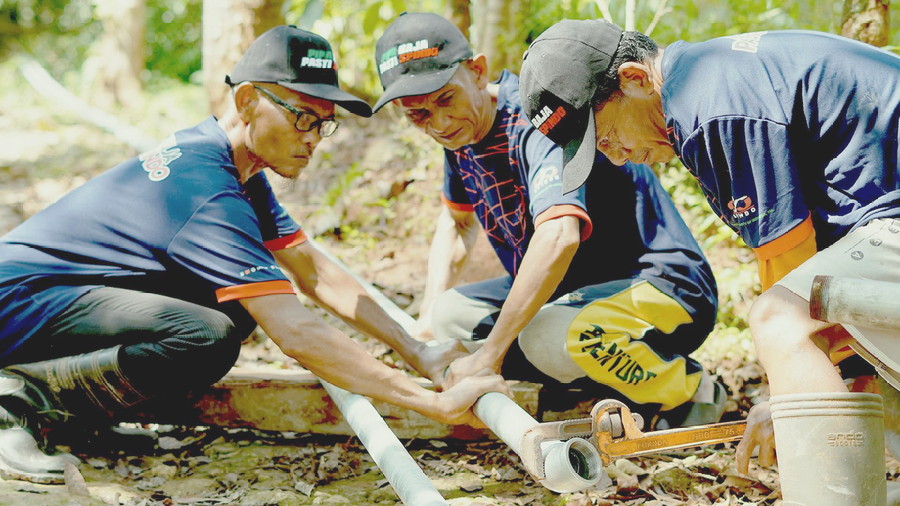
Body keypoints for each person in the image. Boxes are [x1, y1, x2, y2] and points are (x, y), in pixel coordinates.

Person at [0, 25, 506, 484]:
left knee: (235, 309)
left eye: (323, 124)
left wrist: (417, 350)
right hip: (17, 305)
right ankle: (18, 403)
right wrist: (430, 403)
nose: (312, 139)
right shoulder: (205, 189)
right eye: (302, 117)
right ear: (247, 101)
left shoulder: (236, 167)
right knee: (206, 335)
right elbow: (297, 333)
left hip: (49, 301)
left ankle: (75, 415)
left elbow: (313, 271)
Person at [519, 18, 899, 505]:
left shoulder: (711, 108)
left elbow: (792, 271)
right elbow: (809, 267)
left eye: (606, 136)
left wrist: (785, 395)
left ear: (635, 79)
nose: (616, 158)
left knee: (780, 322)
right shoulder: (712, 77)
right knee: (851, 373)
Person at [372, 12, 724, 432]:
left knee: (545, 336)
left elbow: (559, 236)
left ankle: (690, 387)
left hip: (663, 285)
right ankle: (586, 379)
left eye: (446, 99)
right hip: (572, 292)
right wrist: (428, 318)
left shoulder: (538, 119)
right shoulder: (461, 136)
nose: (440, 123)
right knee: (450, 316)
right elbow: (457, 223)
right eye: (418, 115)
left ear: (477, 70)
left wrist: (489, 357)